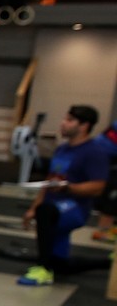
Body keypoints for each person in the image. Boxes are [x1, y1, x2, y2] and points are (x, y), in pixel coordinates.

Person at [17, 105, 110, 286]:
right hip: (52, 205)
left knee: (46, 211)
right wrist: (33, 208)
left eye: (69, 120)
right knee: (60, 265)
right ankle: (109, 263)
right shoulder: (62, 149)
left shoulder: (94, 152)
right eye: (64, 119)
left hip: (74, 208)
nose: (63, 123)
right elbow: (49, 182)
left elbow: (98, 187)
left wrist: (69, 188)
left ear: (84, 126)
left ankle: (42, 269)